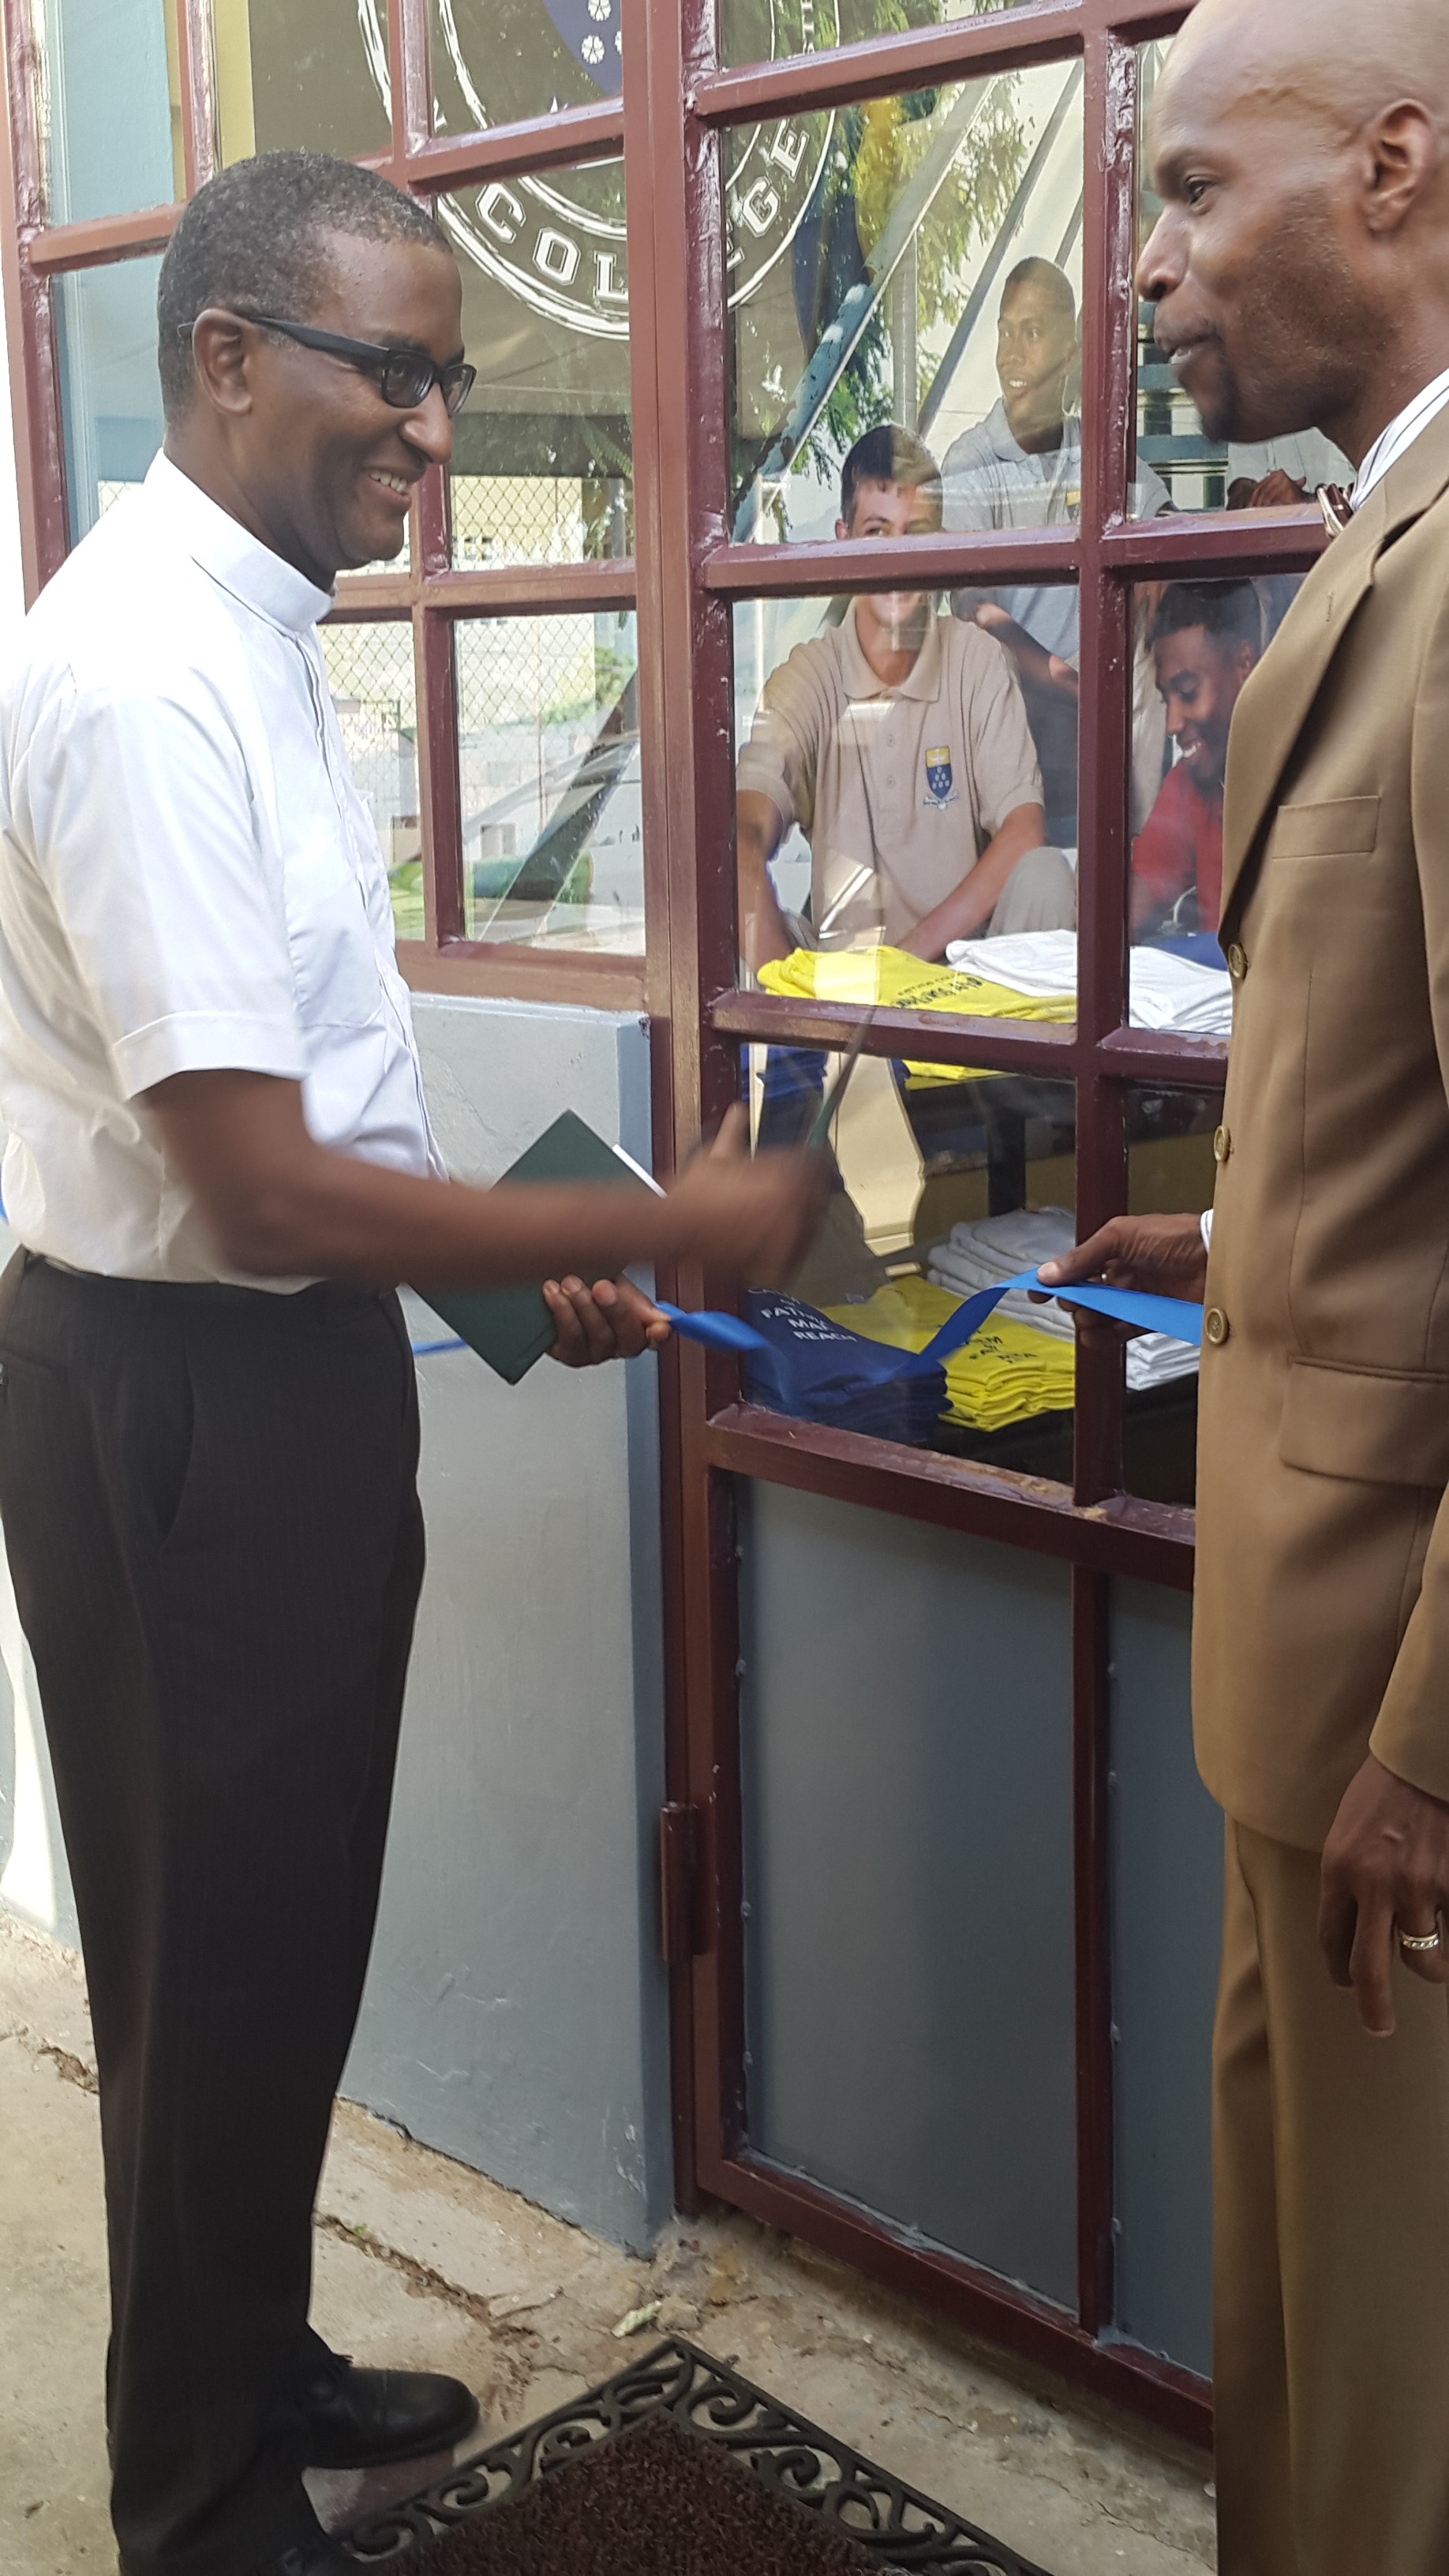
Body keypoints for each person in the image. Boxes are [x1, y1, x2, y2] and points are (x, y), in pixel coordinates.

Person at [0, 152, 822, 2576]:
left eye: (451, 380)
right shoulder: (141, 675)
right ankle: (201, 2505)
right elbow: (251, 1190)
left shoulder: (248, 626)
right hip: (186, 1393)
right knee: (208, 1965)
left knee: (273, 1942)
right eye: (398, 371)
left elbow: (308, 1103)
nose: (440, 431)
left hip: (270, 1365)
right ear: (228, 355)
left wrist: (487, 1278)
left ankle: (257, 2363)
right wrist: (644, 1215)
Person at [1039, 4, 1449, 2567]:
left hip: (1392, 1717)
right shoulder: (1381, 538)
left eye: (1193, 189)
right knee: (1301, 2352)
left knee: (1387, 2402)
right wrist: (1242, 1230)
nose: (1143, 266)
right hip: (1305, 1684)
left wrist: (1432, 1746)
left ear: (1393, 170)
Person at [736, 424, 1073, 972]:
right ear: (844, 541)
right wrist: (788, 1005)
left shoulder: (977, 662)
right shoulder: (808, 676)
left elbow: (1024, 830)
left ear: (940, 542)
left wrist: (905, 967)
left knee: (1046, 874)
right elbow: (744, 831)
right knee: (731, 896)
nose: (896, 558)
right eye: (876, 533)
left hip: (961, 985)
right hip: (842, 995)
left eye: (915, 533)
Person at [942, 259, 1171, 842]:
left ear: (1070, 357)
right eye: (1005, 332)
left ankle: (1138, 852)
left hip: (1095, 677)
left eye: (1033, 332)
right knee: (984, 662)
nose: (1010, 355)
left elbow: (1162, 515)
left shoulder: (1092, 449)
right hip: (1018, 683)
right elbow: (972, 611)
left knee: (1147, 654)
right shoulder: (971, 461)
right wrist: (1063, 679)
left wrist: (1159, 569)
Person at [1131, 581, 1261, 936]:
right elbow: (1130, 908)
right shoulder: (1190, 782)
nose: (1172, 724)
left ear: (1244, 663)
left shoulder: (1306, 780)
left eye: (1188, 693)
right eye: (1166, 699)